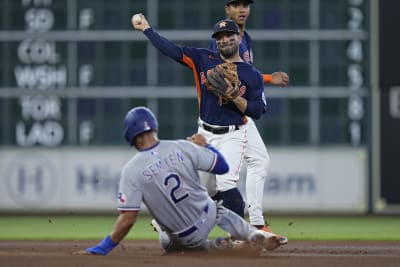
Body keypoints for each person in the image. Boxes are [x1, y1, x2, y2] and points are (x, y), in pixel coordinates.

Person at [73, 106, 280, 255]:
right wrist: (205, 145)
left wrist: (102, 249)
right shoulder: (182, 146)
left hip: (185, 235)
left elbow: (128, 219)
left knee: (168, 242)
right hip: (208, 213)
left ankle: (218, 246)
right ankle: (252, 234)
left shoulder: (132, 170)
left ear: (130, 136)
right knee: (218, 209)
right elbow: (222, 167)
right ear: (153, 126)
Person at [132, 15, 266, 221]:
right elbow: (171, 50)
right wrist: (147, 29)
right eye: (219, 37)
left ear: (239, 38)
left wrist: (236, 98)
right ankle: (180, 228)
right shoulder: (202, 58)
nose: (224, 40)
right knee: (204, 189)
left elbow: (257, 110)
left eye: (229, 35)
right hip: (204, 134)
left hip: (233, 135)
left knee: (227, 183)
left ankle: (240, 237)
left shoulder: (252, 75)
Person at [209, 0, 289, 245]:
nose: (242, 9)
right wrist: (267, 78)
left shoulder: (247, 38)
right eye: (236, 5)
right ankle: (172, 215)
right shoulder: (222, 39)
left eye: (246, 4)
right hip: (219, 115)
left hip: (239, 113)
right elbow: (217, 75)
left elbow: (244, 74)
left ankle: (256, 223)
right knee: (213, 179)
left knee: (257, 161)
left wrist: (264, 78)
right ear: (227, 9)